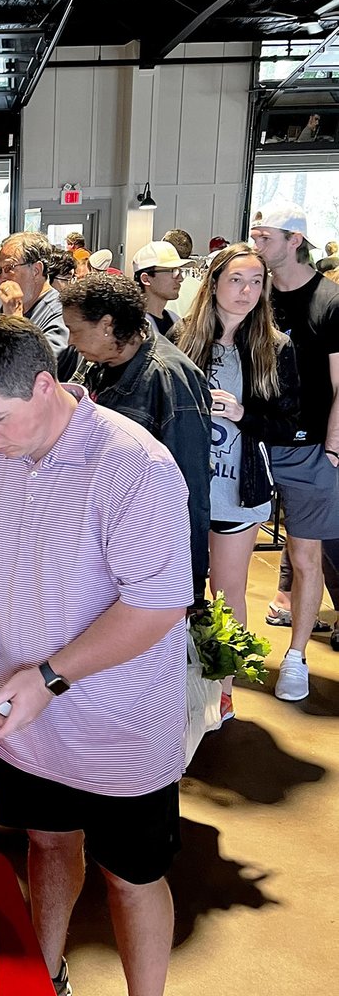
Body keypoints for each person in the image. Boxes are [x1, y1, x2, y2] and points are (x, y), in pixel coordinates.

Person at [0, 315, 191, 996]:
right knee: (47, 844)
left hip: (119, 721)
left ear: (46, 386)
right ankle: (42, 984)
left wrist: (51, 677)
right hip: (25, 716)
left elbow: (157, 605)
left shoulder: (133, 465)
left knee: (130, 875)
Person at [176, 243, 301, 720]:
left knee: (228, 597)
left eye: (256, 282)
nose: (246, 291)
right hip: (183, 492)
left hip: (238, 492)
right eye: (236, 280)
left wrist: (243, 413)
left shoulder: (275, 347)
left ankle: (222, 691)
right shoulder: (182, 339)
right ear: (213, 284)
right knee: (176, 595)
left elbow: (289, 426)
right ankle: (172, 687)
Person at [60, 272, 211, 602]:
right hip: (99, 534)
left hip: (143, 544)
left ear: (106, 325)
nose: (70, 341)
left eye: (75, 330)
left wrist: (191, 585)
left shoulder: (171, 378)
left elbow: (191, 486)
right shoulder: (95, 364)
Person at [251, 202, 339, 701]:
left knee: (307, 556)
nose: (257, 244)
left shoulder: (329, 301)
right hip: (254, 441)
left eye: (265, 237)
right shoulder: (254, 293)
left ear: (295, 240)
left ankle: (296, 657)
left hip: (310, 451)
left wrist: (333, 447)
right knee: (231, 550)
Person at [0, 232, 71, 357]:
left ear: (36, 270)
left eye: (9, 268)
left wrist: (15, 320)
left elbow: (36, 363)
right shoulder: (7, 305)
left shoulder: (60, 313)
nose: (1, 278)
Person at [132, 240, 189, 335]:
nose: (180, 279)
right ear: (146, 279)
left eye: (180, 271)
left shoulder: (175, 320)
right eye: (172, 271)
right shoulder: (134, 325)